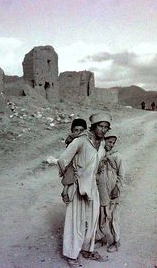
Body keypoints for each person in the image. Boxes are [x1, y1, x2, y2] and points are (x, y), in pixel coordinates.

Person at [57, 113, 112, 266]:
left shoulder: (101, 144)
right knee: (75, 222)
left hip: (92, 188)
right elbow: (63, 159)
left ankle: (88, 249)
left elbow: (97, 162)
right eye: (101, 126)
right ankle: (72, 255)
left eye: (106, 127)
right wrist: (71, 176)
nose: (103, 130)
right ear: (94, 126)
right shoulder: (81, 141)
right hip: (78, 187)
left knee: (92, 220)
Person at [95, 132, 124, 253]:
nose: (111, 145)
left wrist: (117, 187)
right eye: (109, 142)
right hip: (101, 190)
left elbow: (121, 174)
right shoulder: (100, 154)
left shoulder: (117, 156)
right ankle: (101, 238)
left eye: (113, 143)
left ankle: (116, 241)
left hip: (112, 190)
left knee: (112, 216)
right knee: (100, 214)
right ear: (104, 141)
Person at [60, 118, 87, 204]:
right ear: (72, 131)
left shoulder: (86, 139)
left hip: (82, 164)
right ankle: (65, 192)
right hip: (72, 162)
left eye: (81, 130)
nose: (78, 132)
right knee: (69, 176)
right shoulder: (72, 138)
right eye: (76, 130)